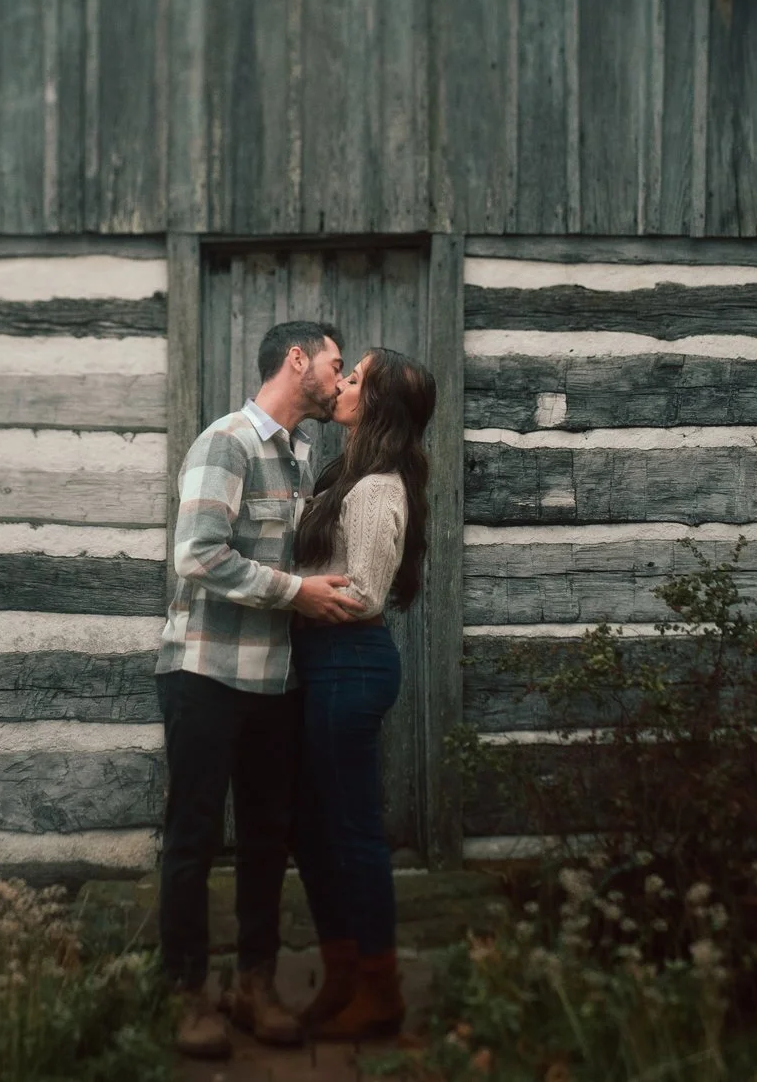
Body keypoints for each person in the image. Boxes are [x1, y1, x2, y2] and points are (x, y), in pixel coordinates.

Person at [157, 319, 371, 1060]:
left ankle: (254, 986)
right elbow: (197, 555)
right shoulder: (227, 442)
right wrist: (298, 595)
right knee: (191, 838)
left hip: (275, 680)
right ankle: (185, 995)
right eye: (336, 365)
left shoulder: (304, 457)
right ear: (295, 360)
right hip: (206, 673)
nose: (341, 380)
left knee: (264, 840)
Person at [289, 347, 437, 1041]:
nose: (340, 384)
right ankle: (344, 975)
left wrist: (286, 595)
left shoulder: (378, 487)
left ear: (373, 404)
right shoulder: (345, 473)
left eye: (354, 378)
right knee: (317, 832)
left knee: (352, 834)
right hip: (326, 665)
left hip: (350, 664)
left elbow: (365, 595)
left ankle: (380, 989)